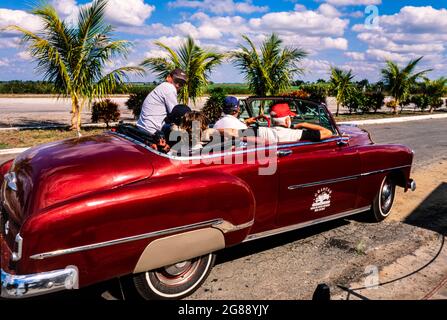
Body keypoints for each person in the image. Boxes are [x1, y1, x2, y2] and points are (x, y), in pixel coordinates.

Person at [137, 68, 188, 135]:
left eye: (181, 84)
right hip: (152, 130)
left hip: (144, 126)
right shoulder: (169, 88)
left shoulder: (162, 87)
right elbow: (176, 113)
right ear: (169, 77)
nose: (178, 85)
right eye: (176, 81)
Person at [257, 103, 333, 144]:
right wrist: (303, 124)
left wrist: (247, 122)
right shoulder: (296, 134)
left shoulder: (262, 131)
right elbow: (328, 133)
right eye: (290, 117)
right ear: (287, 120)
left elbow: (244, 133)